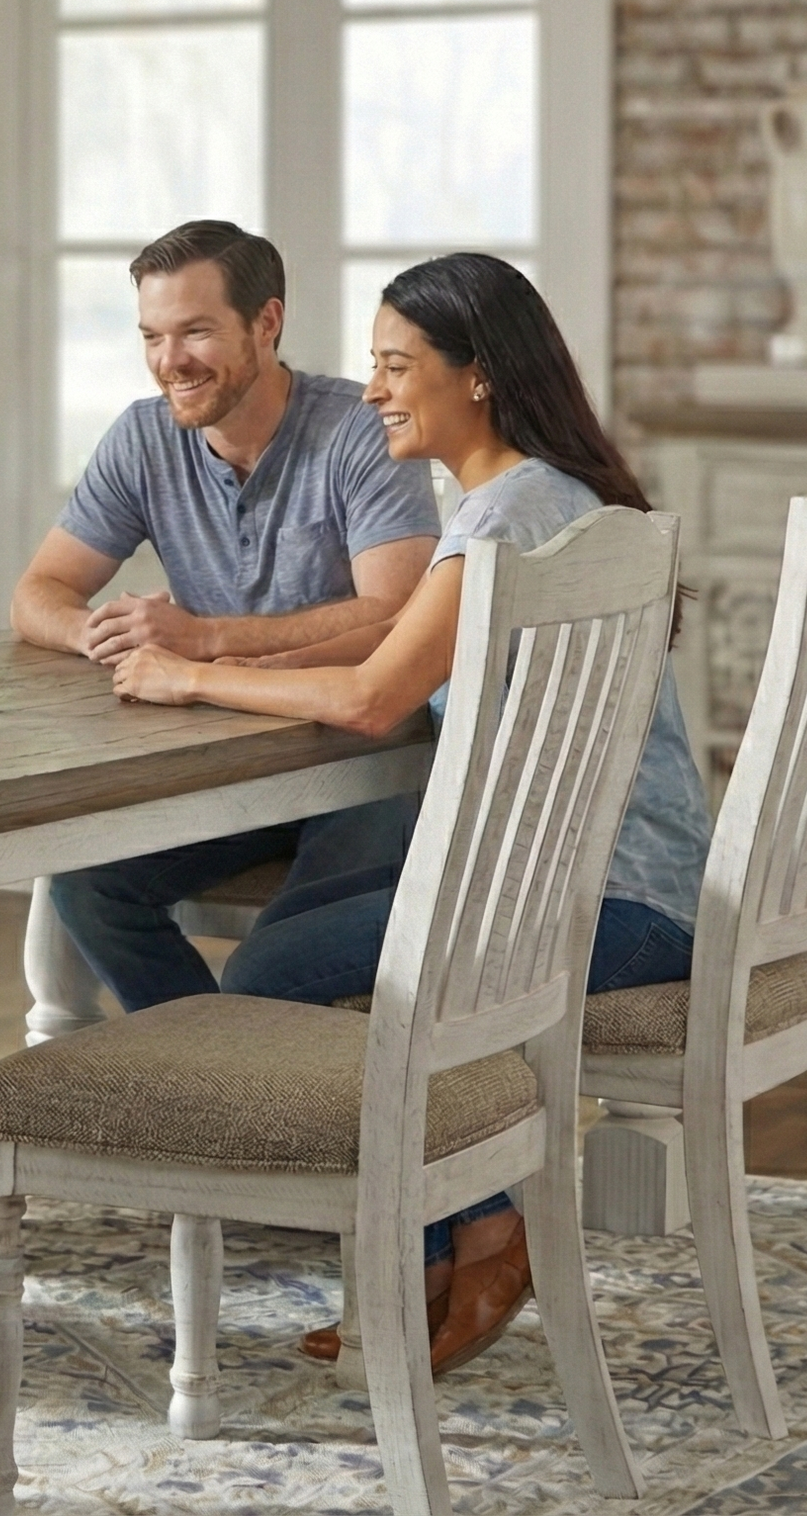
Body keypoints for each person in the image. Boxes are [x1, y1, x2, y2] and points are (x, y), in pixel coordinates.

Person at [107, 251, 712, 1376]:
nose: (375, 389)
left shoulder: (500, 520)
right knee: (307, 941)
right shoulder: (554, 501)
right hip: (630, 885)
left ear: (474, 377)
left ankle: (446, 1239)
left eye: (397, 365)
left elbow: (373, 697)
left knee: (270, 978)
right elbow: (387, 661)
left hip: (605, 906)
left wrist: (186, 674)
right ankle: (454, 1240)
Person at [13, 220, 442, 1009]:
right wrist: (92, 630)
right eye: (152, 335)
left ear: (266, 323)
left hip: (364, 758)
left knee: (283, 957)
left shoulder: (359, 432)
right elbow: (38, 590)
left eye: (196, 332)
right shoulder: (142, 439)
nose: (169, 361)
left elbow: (396, 613)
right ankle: (205, 1083)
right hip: (221, 761)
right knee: (87, 886)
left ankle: (258, 1095)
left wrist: (206, 641)